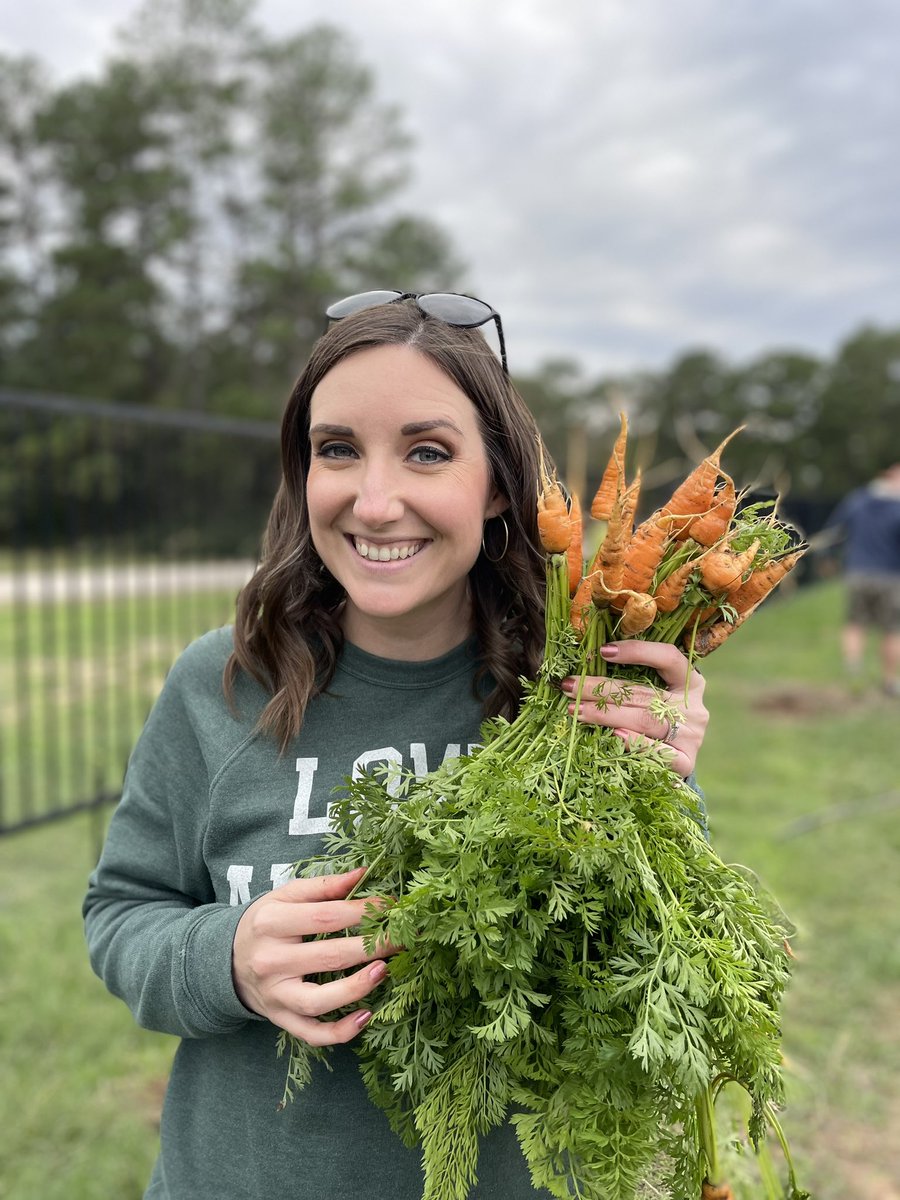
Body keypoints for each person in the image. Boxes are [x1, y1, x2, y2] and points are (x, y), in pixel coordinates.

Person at [83, 291, 709, 1200]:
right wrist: (230, 959)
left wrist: (669, 779)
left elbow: (665, 961)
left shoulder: (574, 695)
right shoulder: (223, 683)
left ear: (498, 481)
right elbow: (121, 913)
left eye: (427, 451)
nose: (375, 503)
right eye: (337, 449)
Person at [823, 462, 900, 697]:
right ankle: (890, 681)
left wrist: (827, 558)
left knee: (855, 624)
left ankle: (853, 676)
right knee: (892, 630)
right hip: (890, 576)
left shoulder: (857, 500)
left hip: (857, 573)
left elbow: (833, 531)